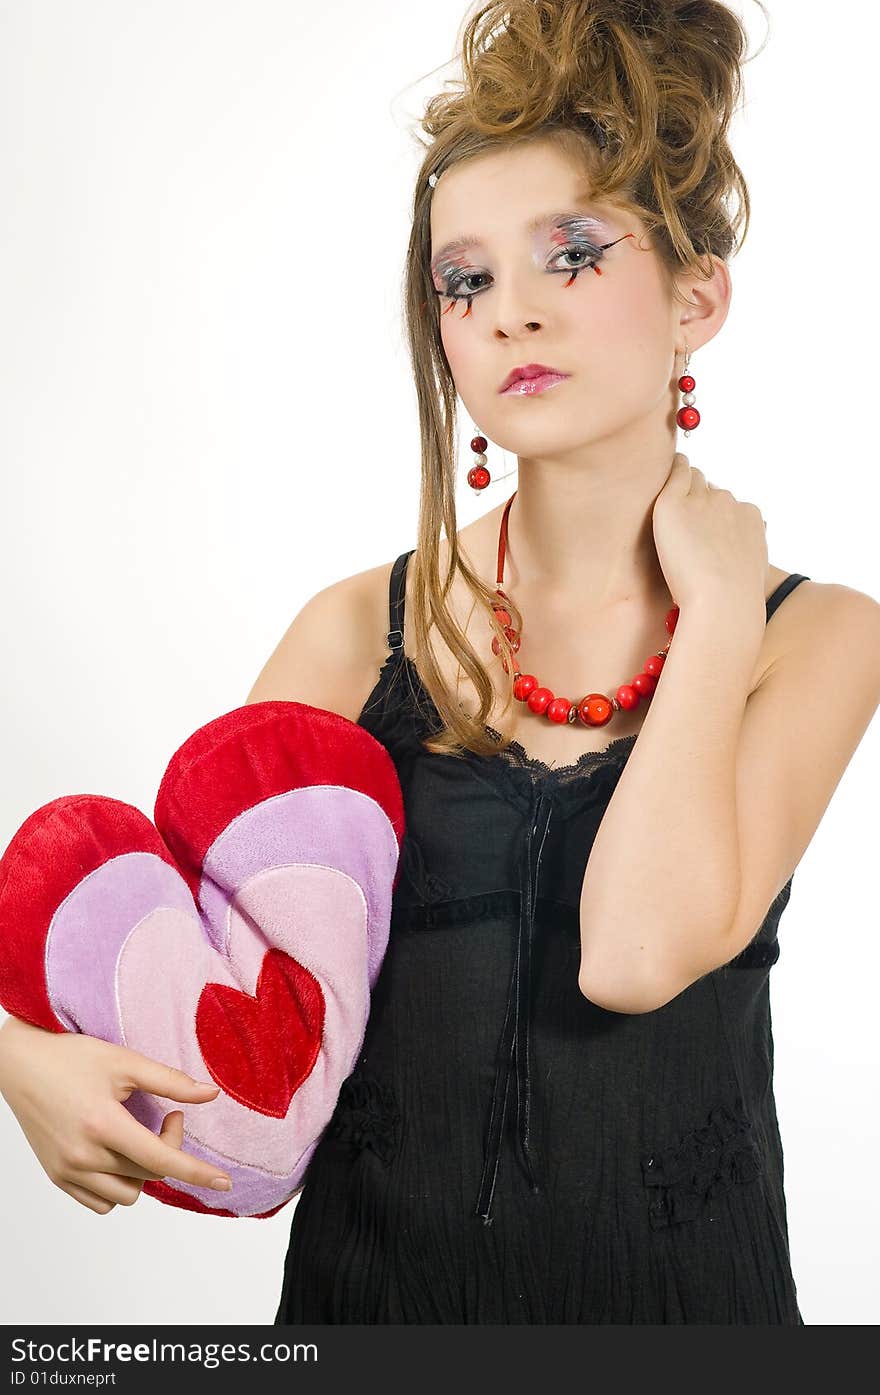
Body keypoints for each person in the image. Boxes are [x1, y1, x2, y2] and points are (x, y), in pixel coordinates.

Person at [1, 0, 879, 1323]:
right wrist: (20, 1062)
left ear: (700, 296)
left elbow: (634, 955)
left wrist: (717, 610)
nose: (510, 313)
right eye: (466, 280)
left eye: (569, 255)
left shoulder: (816, 636)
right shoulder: (357, 630)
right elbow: (165, 960)